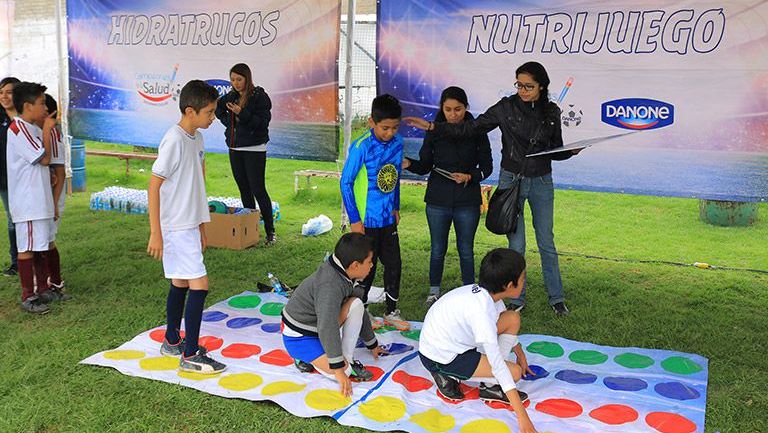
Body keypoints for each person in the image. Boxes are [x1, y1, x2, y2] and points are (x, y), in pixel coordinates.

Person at [406, 62, 580, 315]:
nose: (522, 90)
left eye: (528, 86)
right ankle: (516, 300)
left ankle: (557, 298)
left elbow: (555, 150)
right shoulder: (505, 107)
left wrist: (570, 152)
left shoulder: (551, 111)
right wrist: (435, 127)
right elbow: (470, 127)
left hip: (542, 180)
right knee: (516, 245)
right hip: (512, 180)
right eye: (519, 84)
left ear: (542, 86)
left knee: (546, 242)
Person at [147, 80, 226, 374]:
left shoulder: (197, 139)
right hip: (176, 226)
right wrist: (156, 231)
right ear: (190, 111)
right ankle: (191, 354)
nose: (213, 117)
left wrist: (202, 225)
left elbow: (198, 185)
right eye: (209, 112)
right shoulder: (174, 139)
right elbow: (154, 186)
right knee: (200, 284)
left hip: (188, 223)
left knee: (181, 281)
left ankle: (171, 340)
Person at [419, 248, 537, 433]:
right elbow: (498, 365)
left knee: (512, 318)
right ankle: (450, 376)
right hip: (440, 357)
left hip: (449, 343)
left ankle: (489, 384)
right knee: (512, 373)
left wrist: (520, 354)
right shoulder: (481, 312)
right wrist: (523, 417)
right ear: (509, 285)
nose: (525, 282)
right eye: (522, 279)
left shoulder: (488, 295)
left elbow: (504, 322)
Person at [402, 86, 492, 305]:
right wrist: (409, 164)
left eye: (458, 109)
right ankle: (434, 291)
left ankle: (469, 292)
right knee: (437, 248)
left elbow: (487, 166)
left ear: (466, 108)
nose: (453, 114)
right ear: (442, 108)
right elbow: (425, 165)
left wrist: (470, 176)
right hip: (437, 200)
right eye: (448, 109)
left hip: (467, 200)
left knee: (466, 249)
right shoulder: (434, 131)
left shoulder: (476, 129)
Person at [281, 232, 387, 397]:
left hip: (316, 326)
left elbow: (358, 309)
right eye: (369, 262)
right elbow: (327, 326)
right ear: (355, 265)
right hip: (300, 336)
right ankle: (303, 357)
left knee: (356, 303)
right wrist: (338, 369)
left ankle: (346, 359)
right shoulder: (330, 285)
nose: (372, 265)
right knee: (344, 371)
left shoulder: (344, 273)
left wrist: (372, 344)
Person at [340, 94, 408, 331]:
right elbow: (345, 183)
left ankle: (392, 311)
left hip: (388, 218)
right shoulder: (361, 147)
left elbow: (394, 177)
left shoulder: (398, 143)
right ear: (372, 122)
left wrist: (396, 206)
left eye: (395, 127)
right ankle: (362, 310)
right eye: (385, 128)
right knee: (366, 267)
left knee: (394, 263)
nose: (390, 133)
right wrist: (355, 220)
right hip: (366, 221)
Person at [5, 82, 61, 314]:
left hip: (41, 199)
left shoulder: (32, 128)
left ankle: (43, 289)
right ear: (27, 106)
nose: (44, 108)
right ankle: (28, 295)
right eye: (40, 103)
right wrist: (48, 129)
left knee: (40, 244)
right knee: (27, 248)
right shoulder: (18, 129)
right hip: (27, 202)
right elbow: (44, 158)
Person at [215, 63, 276, 245]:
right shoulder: (231, 96)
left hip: (254, 148)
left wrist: (242, 113)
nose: (236, 83)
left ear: (247, 78)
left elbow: (262, 123)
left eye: (239, 79)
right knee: (244, 189)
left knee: (258, 189)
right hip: (235, 148)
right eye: (233, 79)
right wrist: (228, 121)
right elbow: (218, 107)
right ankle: (250, 229)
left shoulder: (260, 96)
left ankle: (270, 232)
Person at [35, 93, 68, 299]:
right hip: (44, 196)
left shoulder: (52, 134)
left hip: (52, 197)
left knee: (47, 240)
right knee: (43, 239)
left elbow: (60, 173)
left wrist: (54, 204)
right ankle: (47, 281)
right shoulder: (38, 132)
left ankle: (55, 282)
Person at [0, 76, 20, 276]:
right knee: (12, 219)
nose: (4, 96)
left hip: (25, 178)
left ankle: (30, 257)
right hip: (5, 179)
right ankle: (16, 262)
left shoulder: (26, 116)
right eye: (1, 92)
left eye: (9, 92)